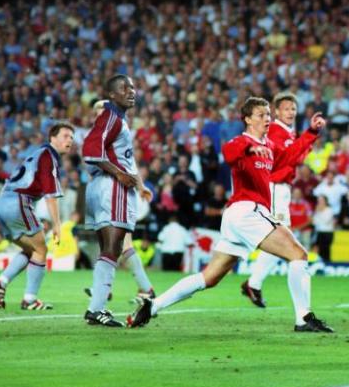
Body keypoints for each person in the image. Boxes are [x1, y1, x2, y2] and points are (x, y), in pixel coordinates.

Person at [127, 97, 334, 333]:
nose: (267, 119)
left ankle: (152, 306)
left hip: (238, 216)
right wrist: (248, 147)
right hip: (248, 211)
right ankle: (303, 318)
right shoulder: (243, 142)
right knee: (298, 254)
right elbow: (228, 152)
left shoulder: (269, 146)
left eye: (268, 115)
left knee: (209, 278)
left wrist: (311, 132)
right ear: (247, 119)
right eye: (260, 115)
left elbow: (289, 157)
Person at [81, 76, 154, 327]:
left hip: (101, 186)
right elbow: (90, 150)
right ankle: (97, 309)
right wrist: (119, 174)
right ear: (111, 95)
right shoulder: (111, 117)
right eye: (124, 88)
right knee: (114, 248)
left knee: (109, 249)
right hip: (112, 187)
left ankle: (97, 308)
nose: (131, 92)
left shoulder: (116, 118)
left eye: (133, 87)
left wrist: (137, 183)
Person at [0, 121, 76, 310]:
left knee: (31, 250)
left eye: (72, 138)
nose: (69, 141)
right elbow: (51, 196)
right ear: (52, 138)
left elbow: (12, 179)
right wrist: (57, 225)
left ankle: (1, 282)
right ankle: (29, 299)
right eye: (65, 136)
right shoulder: (48, 157)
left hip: (4, 202)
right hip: (19, 202)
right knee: (41, 250)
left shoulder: (36, 154)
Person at [242, 92, 316, 308]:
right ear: (276, 111)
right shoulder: (275, 130)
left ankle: (253, 283)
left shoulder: (288, 132)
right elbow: (285, 158)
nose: (290, 112)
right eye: (286, 109)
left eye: (293, 109)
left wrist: (305, 144)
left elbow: (297, 159)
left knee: (282, 239)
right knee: (282, 238)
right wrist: (309, 139)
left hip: (282, 188)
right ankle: (253, 283)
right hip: (274, 187)